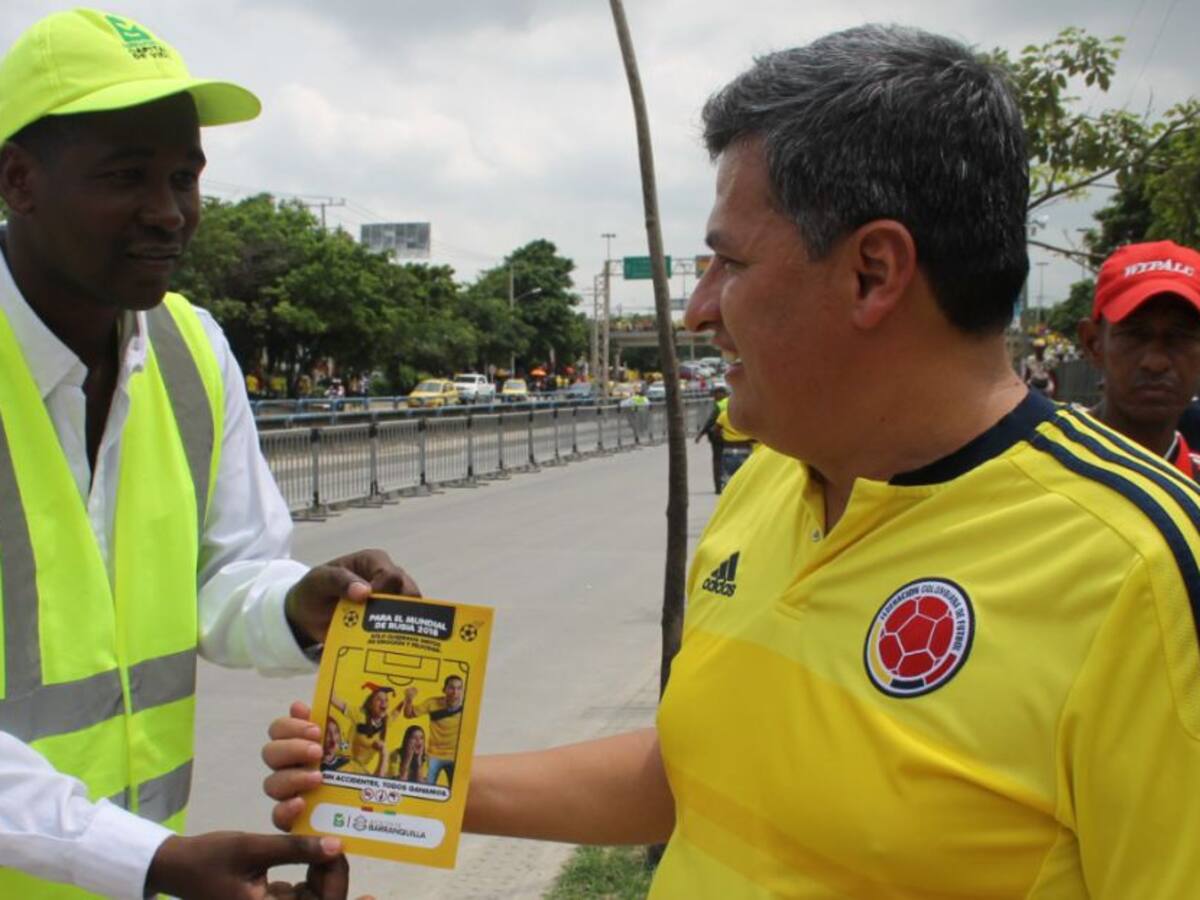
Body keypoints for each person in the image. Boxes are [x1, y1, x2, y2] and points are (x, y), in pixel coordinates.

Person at [265, 24, 1200, 897]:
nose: (696, 311)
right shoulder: (768, 488)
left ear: (873, 272)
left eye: (730, 265)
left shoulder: (1143, 576)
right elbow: (697, 772)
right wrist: (399, 783)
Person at [0, 9, 419, 898]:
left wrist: (300, 605)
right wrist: (146, 861)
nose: (169, 212)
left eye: (186, 176)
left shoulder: (190, 350)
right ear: (18, 180)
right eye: (126, 177)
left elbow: (227, 577)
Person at [1077, 240, 1200, 478]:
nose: (1155, 363)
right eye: (1134, 336)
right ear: (1093, 343)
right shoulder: (1031, 475)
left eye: (1180, 337)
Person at [401, 676, 464, 788]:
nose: (455, 692)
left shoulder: (467, 707)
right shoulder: (432, 703)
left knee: (457, 791)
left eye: (459, 688)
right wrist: (409, 699)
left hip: (457, 757)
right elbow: (409, 714)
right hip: (434, 755)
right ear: (444, 689)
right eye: (451, 688)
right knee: (424, 790)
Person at [328, 685, 402, 776]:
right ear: (370, 704)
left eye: (386, 700)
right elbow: (337, 702)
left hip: (359, 767)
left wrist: (406, 700)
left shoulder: (385, 721)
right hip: (344, 759)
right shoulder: (360, 715)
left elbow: (395, 714)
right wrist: (328, 683)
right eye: (379, 699)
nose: (384, 702)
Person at [693, 384, 728, 493]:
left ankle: (718, 487)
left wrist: (701, 434)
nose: (714, 397)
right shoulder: (734, 402)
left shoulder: (720, 405)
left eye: (715, 394)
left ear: (722, 394)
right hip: (734, 438)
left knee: (717, 461)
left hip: (719, 437)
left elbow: (710, 422)